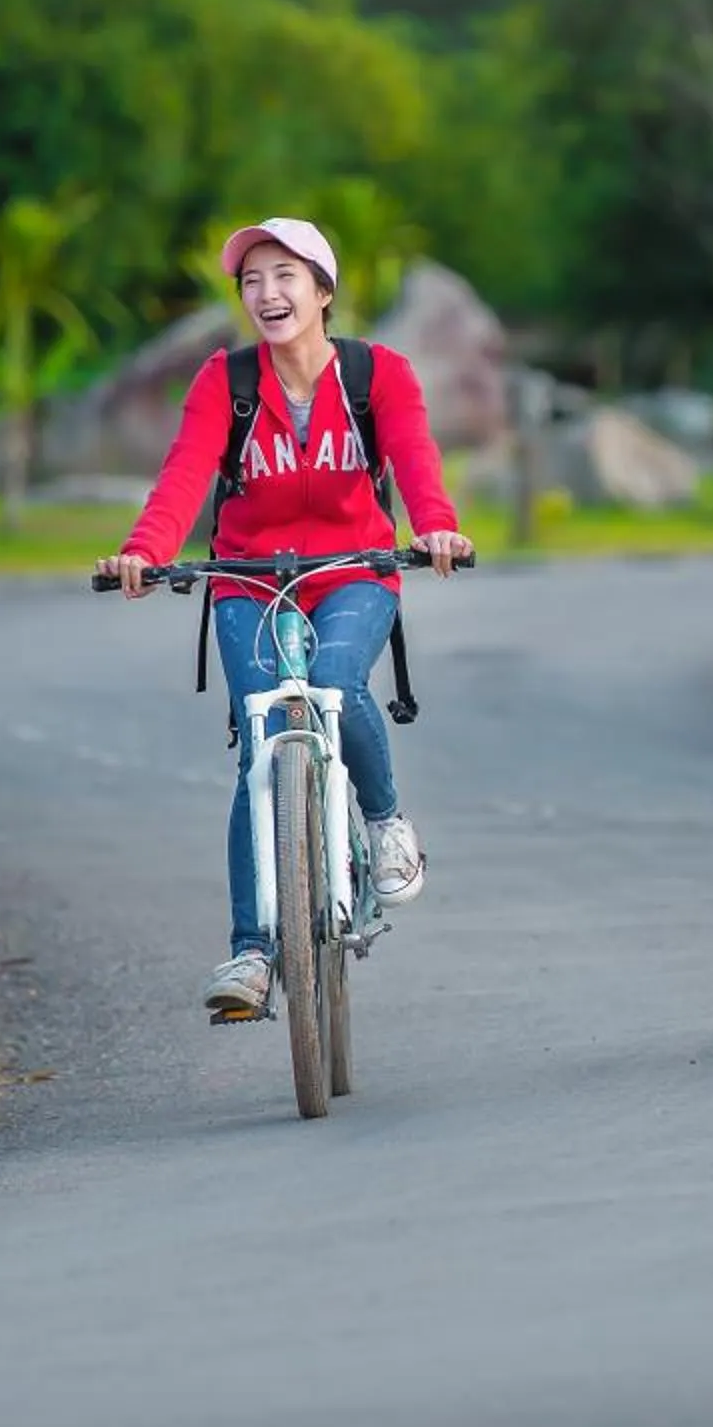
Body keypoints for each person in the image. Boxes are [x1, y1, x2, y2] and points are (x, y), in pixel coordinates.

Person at [103, 217, 474, 1017]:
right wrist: (143, 550)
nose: (267, 295)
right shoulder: (226, 382)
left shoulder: (379, 376)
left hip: (355, 570)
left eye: (284, 277)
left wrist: (435, 526)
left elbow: (414, 461)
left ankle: (382, 823)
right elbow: (183, 478)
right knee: (263, 744)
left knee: (337, 684)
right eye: (251, 281)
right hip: (245, 576)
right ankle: (253, 955)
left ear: (323, 291)